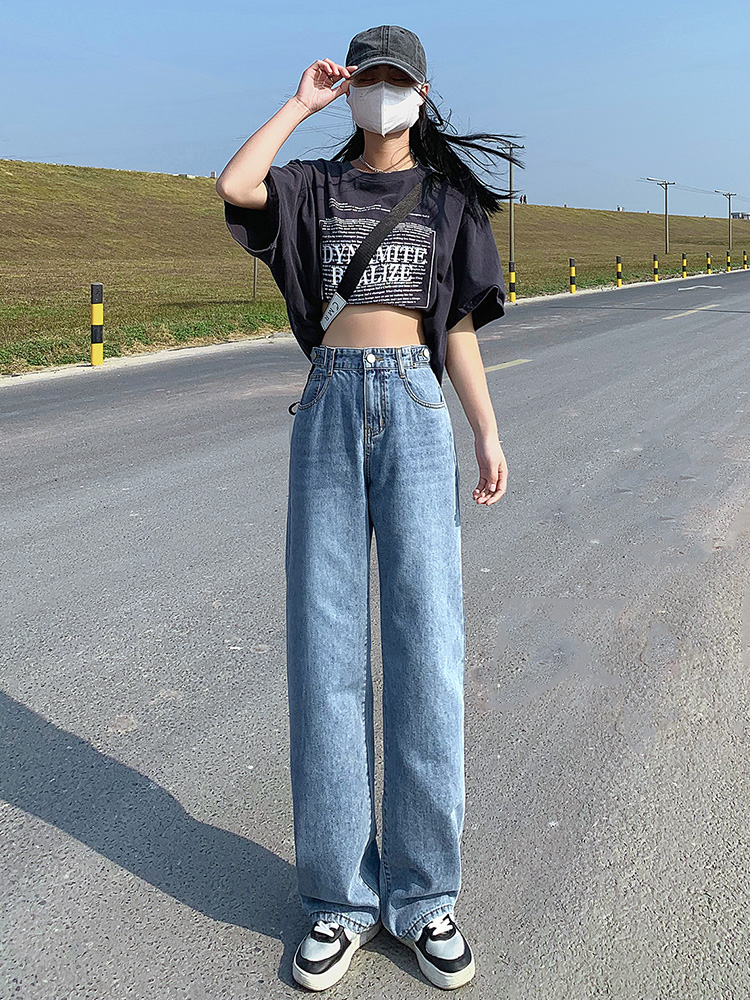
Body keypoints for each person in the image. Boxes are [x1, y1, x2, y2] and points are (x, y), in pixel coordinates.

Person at [216, 24, 520, 992]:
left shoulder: (448, 201)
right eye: (368, 79)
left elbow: (457, 327)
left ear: (421, 96)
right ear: (351, 91)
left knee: (428, 645)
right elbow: (236, 184)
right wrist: (299, 102)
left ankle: (425, 898)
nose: (382, 93)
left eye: (397, 81)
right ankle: (338, 900)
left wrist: (487, 431)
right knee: (326, 647)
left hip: (418, 407)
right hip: (329, 407)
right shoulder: (312, 185)